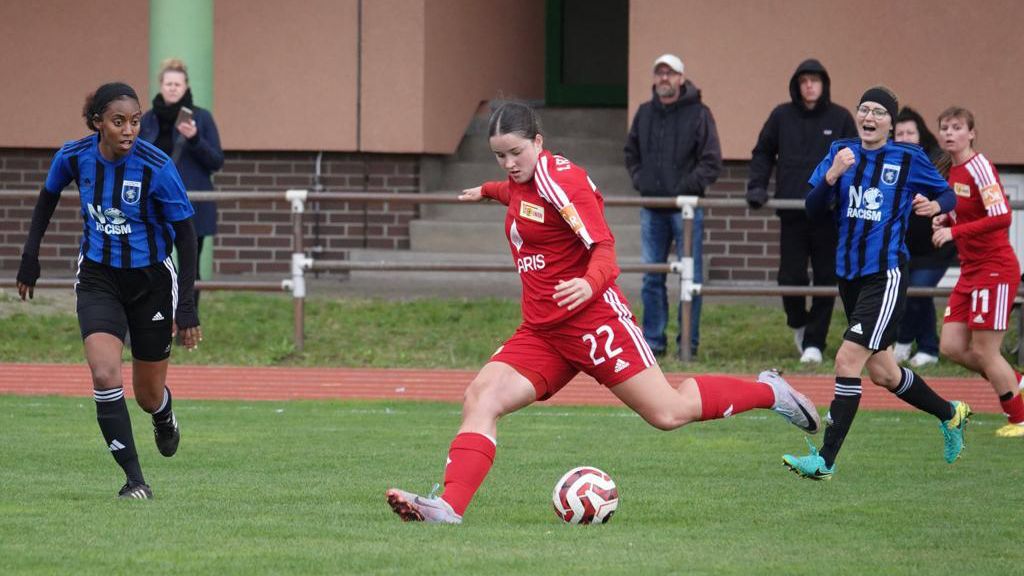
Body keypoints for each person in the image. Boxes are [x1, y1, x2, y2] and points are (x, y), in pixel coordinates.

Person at [386, 102, 819, 523]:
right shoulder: (519, 179)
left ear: (539, 142)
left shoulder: (564, 183)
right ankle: (448, 507)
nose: (509, 164)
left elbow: (605, 252)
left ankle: (770, 391)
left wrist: (587, 283)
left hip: (594, 320)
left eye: (517, 152)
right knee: (481, 397)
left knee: (667, 412)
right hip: (543, 332)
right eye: (500, 156)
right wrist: (488, 191)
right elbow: (521, 197)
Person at [16, 82, 201, 499]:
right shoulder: (74, 156)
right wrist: (30, 256)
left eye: (135, 121)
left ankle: (164, 413)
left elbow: (186, 236)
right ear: (98, 122)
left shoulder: (156, 167)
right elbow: (46, 199)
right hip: (99, 276)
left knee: (147, 395)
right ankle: (135, 479)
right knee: (104, 373)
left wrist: (186, 305)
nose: (129, 130)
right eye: (119, 122)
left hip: (151, 281)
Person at [782, 87, 969, 480]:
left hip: (885, 274)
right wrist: (831, 177)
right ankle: (952, 414)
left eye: (878, 112)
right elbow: (813, 210)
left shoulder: (906, 158)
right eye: (864, 109)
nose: (869, 116)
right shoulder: (841, 154)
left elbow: (948, 196)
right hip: (848, 276)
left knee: (847, 360)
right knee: (884, 372)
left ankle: (825, 461)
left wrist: (936, 206)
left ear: (890, 123)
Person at [746, 59, 857, 364]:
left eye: (815, 80)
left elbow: (854, 161)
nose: (809, 86)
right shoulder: (781, 116)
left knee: (825, 279)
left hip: (828, 214)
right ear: (797, 85)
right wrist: (757, 188)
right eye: (804, 80)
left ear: (824, 84)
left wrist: (845, 198)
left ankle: (814, 343)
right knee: (790, 277)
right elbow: (763, 152)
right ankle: (798, 323)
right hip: (792, 211)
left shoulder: (840, 117)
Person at [932, 106, 1024, 438]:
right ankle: (1016, 381)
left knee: (986, 350)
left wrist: (954, 232)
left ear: (971, 134)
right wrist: (945, 218)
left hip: (995, 269)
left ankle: (1019, 418)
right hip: (971, 272)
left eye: (957, 127)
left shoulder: (979, 167)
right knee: (952, 346)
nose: (949, 133)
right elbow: (968, 211)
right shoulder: (951, 170)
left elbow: (1002, 216)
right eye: (944, 128)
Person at [625, 53, 722, 358]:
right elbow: (631, 153)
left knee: (689, 278)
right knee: (652, 278)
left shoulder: (699, 114)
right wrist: (643, 182)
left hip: (687, 211)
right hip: (651, 207)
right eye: (659, 73)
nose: (664, 78)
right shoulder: (644, 113)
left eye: (670, 73)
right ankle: (654, 343)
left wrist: (682, 190)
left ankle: (687, 345)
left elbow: (711, 162)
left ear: (681, 78)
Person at [140, 58, 223, 315]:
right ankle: (151, 318)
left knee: (190, 266)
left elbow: (216, 161)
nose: (173, 88)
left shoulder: (201, 118)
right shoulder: (148, 119)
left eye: (178, 83)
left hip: (190, 204)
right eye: (169, 83)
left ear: (186, 86)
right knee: (148, 263)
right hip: (152, 204)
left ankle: (186, 317)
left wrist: (195, 138)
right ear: (161, 86)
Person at [891, 107, 956, 367]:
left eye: (910, 132)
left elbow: (948, 196)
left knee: (917, 291)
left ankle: (910, 342)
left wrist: (932, 204)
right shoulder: (891, 161)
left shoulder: (938, 161)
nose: (905, 138)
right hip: (904, 246)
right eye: (900, 133)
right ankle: (927, 345)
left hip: (935, 247)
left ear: (921, 134)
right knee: (912, 292)